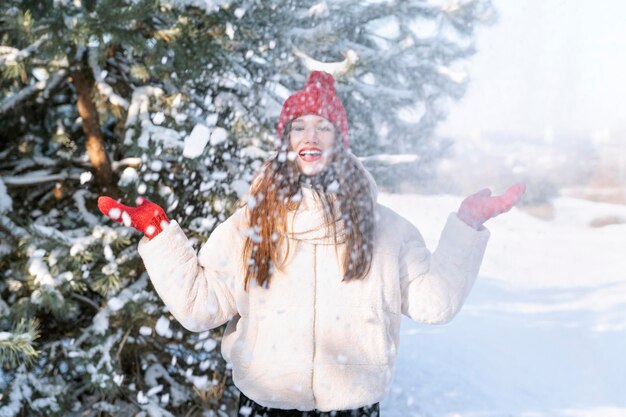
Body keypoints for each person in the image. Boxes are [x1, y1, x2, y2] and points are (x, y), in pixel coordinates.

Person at [98, 71, 525, 417]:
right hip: (265, 407)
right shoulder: (250, 226)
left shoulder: (385, 231)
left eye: (324, 126)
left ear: (341, 141)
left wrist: (467, 226)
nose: (311, 136)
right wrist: (160, 236)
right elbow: (200, 306)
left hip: (353, 410)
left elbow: (436, 304)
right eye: (299, 126)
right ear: (285, 140)